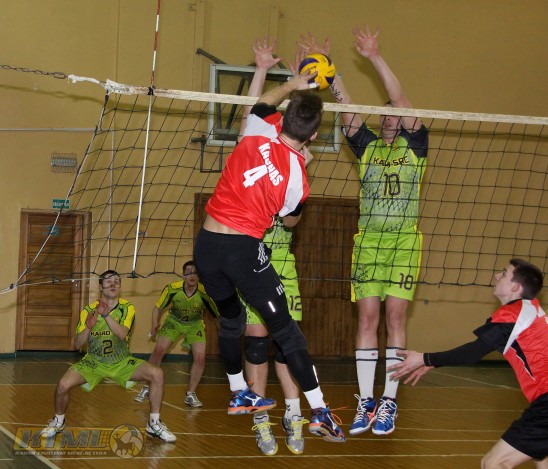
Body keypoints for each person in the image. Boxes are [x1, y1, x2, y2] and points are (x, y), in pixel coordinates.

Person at [193, 41, 345, 443]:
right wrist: (301, 170)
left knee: (231, 321)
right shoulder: (297, 177)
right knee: (286, 332)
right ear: (314, 135)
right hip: (243, 251)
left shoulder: (257, 131)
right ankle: (320, 411)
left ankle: (237, 392)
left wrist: (292, 82)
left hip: (206, 245)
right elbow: (290, 220)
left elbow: (260, 103)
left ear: (282, 117)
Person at [297, 26, 428, 436]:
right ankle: (366, 401)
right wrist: (329, 71)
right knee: (367, 319)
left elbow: (401, 98)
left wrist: (373, 56)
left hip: (404, 241)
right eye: (384, 112)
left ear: (403, 121)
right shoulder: (367, 146)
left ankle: (389, 401)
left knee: (396, 316)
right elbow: (346, 106)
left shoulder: (416, 145)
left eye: (395, 113)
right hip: (368, 241)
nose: (390, 116)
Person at [388, 259, 548, 469]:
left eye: (504, 273)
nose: (497, 276)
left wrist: (424, 358)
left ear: (515, 287)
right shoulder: (530, 311)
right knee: (539, 455)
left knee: (494, 463)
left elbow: (473, 353)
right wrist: (434, 363)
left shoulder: (513, 313)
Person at [238, 38, 308, 457]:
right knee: (256, 343)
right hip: (251, 258)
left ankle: (293, 413)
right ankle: (261, 417)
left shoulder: (296, 159)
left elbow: (292, 220)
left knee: (288, 343)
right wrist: (262, 70)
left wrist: (303, 82)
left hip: (282, 258)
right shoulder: (254, 149)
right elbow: (252, 113)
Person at [41, 270, 176, 442]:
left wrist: (105, 315)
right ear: (100, 287)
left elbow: (122, 334)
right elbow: (77, 344)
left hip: (122, 361)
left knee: (157, 374)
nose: (113, 284)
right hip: (93, 362)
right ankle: (58, 422)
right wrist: (88, 327)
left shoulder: (127, 307)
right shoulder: (88, 310)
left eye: (117, 281)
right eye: (109, 281)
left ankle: (154, 424)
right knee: (62, 385)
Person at [134, 260, 218, 407]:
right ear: (183, 275)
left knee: (200, 358)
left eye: (195, 272)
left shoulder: (205, 293)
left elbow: (216, 315)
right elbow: (157, 308)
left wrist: (224, 333)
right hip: (174, 322)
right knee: (159, 350)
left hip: (195, 324)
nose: (192, 275)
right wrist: (154, 324)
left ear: (199, 276)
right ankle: (147, 386)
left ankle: (190, 394)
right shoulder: (172, 289)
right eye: (188, 272)